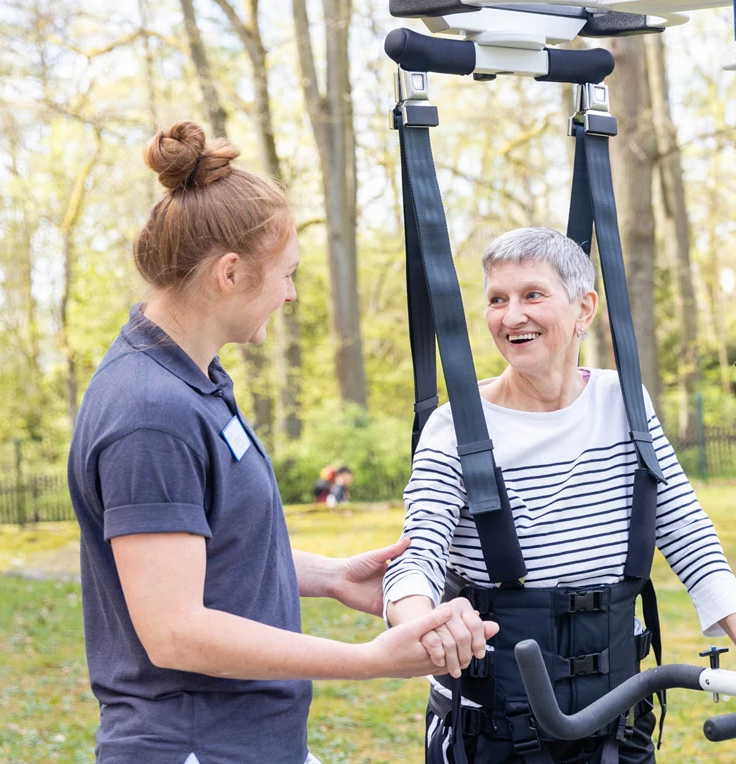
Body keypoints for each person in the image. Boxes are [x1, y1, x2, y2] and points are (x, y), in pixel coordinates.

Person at [67, 121, 497, 764]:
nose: (292, 293)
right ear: (231, 273)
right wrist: (367, 661)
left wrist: (330, 577)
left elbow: (209, 552)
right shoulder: (148, 414)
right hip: (194, 746)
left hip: (251, 743)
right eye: (287, 274)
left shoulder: (196, 381)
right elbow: (176, 633)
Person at [382, 227, 736, 764]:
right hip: (493, 733)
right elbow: (416, 559)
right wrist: (423, 622)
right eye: (496, 300)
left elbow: (691, 541)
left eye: (532, 295)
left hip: (614, 724)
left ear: (584, 308)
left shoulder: (622, 401)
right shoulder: (455, 425)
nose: (511, 317)